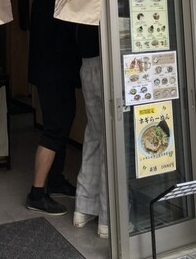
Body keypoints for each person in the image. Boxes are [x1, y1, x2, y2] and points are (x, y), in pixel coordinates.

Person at [26, 0, 81, 216]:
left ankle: (56, 181)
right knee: (54, 129)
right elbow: (62, 42)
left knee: (62, 126)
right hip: (53, 76)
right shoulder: (49, 0)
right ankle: (37, 194)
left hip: (55, 75)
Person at [72, 24, 109, 238]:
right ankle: (108, 218)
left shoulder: (79, 8)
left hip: (86, 66)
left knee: (94, 136)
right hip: (105, 64)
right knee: (110, 141)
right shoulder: (100, 8)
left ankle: (83, 208)